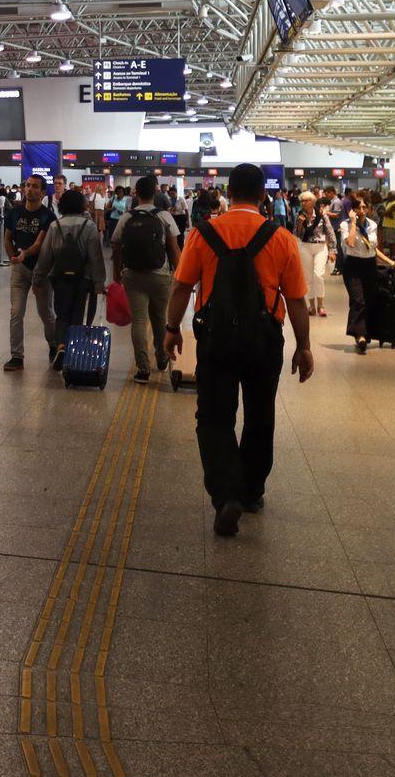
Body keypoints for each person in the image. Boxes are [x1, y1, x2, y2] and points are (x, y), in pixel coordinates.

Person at [164, 163, 311, 538]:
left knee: (214, 417)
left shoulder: (204, 233)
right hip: (265, 338)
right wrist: (304, 346)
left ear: (228, 193)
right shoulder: (280, 237)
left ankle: (226, 493)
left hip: (216, 339)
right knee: (260, 416)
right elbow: (296, 299)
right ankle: (250, 492)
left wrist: (171, 329)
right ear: (263, 195)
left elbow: (181, 286)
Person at [110, 174, 181, 383]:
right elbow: (174, 248)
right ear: (155, 192)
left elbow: (116, 247)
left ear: (136, 193)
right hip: (160, 275)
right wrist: (179, 275)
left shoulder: (127, 217)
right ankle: (162, 358)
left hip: (132, 275)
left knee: (139, 320)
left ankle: (143, 369)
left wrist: (117, 273)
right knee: (159, 319)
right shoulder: (164, 216)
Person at [40, 188, 107, 368]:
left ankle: (61, 346)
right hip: (83, 278)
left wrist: (38, 278)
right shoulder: (89, 226)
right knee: (78, 315)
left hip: (60, 277)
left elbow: (46, 256)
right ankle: (73, 353)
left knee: (62, 315)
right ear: (81, 205)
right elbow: (96, 257)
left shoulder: (55, 226)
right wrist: (99, 281)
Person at [1, 176, 58, 371]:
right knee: (16, 312)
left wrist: (24, 254)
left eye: (35, 187)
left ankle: (53, 344)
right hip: (19, 270)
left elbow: (39, 243)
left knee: (45, 313)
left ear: (42, 192)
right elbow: (7, 239)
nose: (30, 189)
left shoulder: (48, 216)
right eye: (27, 185)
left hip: (41, 270)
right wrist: (13, 257)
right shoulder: (14, 213)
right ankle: (16, 356)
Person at [339, 192, 395, 353]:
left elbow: (373, 248)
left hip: (369, 265)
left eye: (364, 207)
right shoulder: (345, 225)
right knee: (358, 299)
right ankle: (360, 335)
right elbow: (350, 243)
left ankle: (363, 333)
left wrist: (390, 262)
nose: (361, 210)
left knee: (368, 300)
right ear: (352, 210)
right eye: (358, 207)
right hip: (353, 266)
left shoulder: (372, 224)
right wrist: (353, 223)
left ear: (369, 209)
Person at [289, 192, 336, 320]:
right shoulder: (298, 215)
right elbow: (296, 234)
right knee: (308, 277)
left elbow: (330, 231)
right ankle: (311, 306)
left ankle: (321, 305)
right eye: (302, 201)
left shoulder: (321, 214)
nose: (304, 203)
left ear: (313, 201)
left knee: (318, 275)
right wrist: (300, 223)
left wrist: (332, 250)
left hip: (320, 247)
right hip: (305, 247)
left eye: (307, 200)